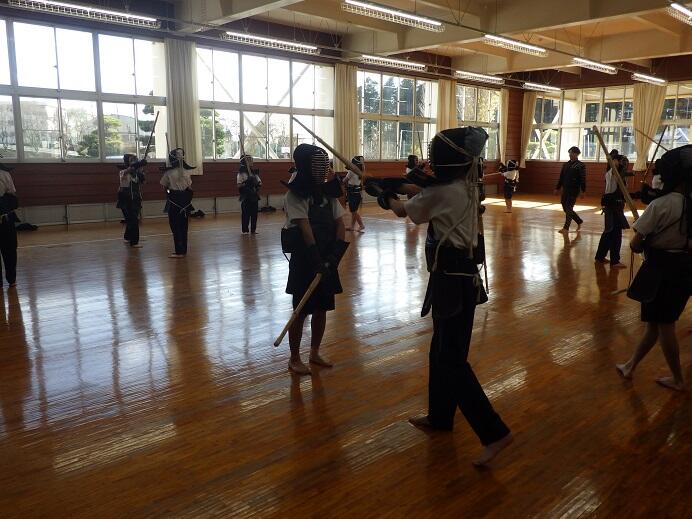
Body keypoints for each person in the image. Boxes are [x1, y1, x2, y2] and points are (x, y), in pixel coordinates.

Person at [365, 127, 512, 466]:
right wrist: (396, 184)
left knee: (452, 360)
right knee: (441, 352)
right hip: (460, 279)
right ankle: (440, 416)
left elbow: (405, 211)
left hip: (451, 282)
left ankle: (495, 433)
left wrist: (384, 196)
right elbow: (424, 190)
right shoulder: (465, 186)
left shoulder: (444, 192)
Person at [616, 145, 692, 392]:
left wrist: (644, 240)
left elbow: (635, 244)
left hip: (662, 271)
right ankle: (630, 365)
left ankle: (678, 379)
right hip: (685, 269)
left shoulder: (661, 204)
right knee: (654, 324)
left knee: (665, 325)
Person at [283, 143, 349, 376]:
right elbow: (305, 228)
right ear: (305, 166)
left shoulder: (328, 194)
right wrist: (316, 259)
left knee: (322, 308)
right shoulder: (295, 195)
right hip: (305, 259)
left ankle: (314, 352)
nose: (322, 169)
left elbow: (340, 223)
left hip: (327, 257)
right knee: (300, 311)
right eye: (317, 164)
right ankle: (294, 357)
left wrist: (335, 255)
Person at [594, 154, 629, 268]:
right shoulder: (613, 173)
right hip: (612, 205)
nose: (624, 165)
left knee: (609, 232)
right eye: (621, 162)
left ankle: (600, 256)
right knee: (615, 233)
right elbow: (615, 169)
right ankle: (615, 261)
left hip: (615, 205)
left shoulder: (617, 174)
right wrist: (614, 161)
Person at [160, 148, 195, 258]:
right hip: (185, 201)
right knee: (184, 226)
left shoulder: (169, 172)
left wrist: (169, 192)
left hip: (174, 201)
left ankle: (179, 251)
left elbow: (164, 187)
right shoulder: (186, 171)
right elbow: (190, 188)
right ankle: (183, 250)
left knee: (175, 227)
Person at [117, 154, 147, 248]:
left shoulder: (136, 174)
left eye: (136, 160)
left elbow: (143, 182)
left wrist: (141, 172)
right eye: (132, 160)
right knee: (133, 220)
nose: (135, 162)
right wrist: (138, 165)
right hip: (126, 200)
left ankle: (127, 237)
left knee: (131, 219)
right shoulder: (123, 172)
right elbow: (125, 183)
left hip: (136, 199)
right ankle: (134, 242)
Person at [555, 146, 586, 233]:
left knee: (569, 207)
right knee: (565, 207)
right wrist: (557, 188)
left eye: (572, 153)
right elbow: (561, 177)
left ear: (577, 154)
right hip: (565, 189)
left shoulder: (580, 165)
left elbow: (583, 179)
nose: (570, 154)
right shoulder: (565, 164)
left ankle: (566, 228)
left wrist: (583, 191)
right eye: (569, 153)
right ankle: (579, 221)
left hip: (574, 190)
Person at [0, 163, 18, 288]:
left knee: (10, 249)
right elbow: (12, 193)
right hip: (5, 218)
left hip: (4, 216)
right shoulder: (4, 173)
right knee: (9, 250)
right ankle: (11, 279)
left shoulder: (4, 173)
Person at [237, 154, 262, 235]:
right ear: (245, 162)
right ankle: (245, 230)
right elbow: (239, 185)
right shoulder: (241, 173)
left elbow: (260, 183)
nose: (252, 161)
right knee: (246, 214)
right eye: (250, 160)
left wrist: (257, 184)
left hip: (254, 195)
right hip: (246, 196)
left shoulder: (254, 173)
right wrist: (247, 182)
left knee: (254, 214)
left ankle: (253, 230)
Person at [343, 156, 365, 233]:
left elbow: (345, 180)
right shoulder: (360, 171)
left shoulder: (351, 171)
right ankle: (352, 226)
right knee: (353, 211)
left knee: (354, 211)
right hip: (357, 193)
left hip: (352, 193)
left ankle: (361, 225)